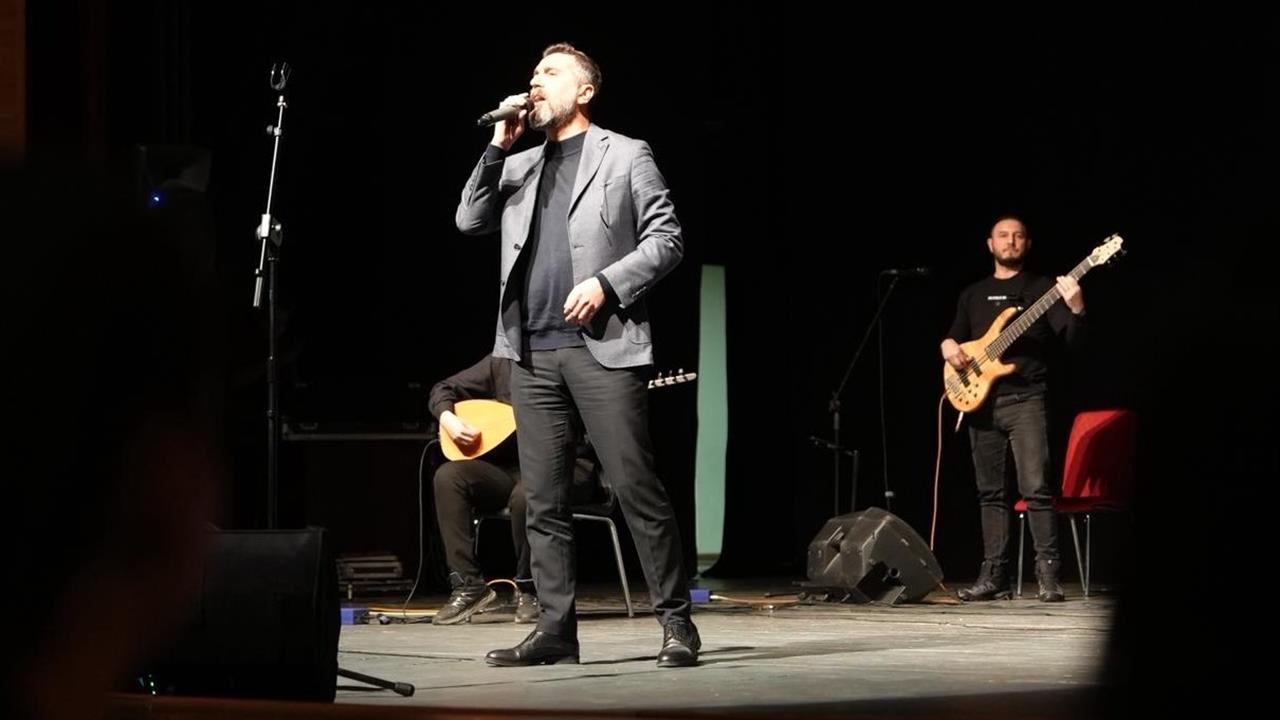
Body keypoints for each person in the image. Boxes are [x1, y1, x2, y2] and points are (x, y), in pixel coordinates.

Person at [455, 42, 698, 667]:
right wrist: (497, 147)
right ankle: (556, 631)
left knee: (636, 486)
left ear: (584, 91)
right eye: (533, 72)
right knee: (543, 501)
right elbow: (469, 220)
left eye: (551, 73)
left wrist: (608, 283)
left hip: (602, 350)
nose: (535, 81)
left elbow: (667, 238)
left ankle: (676, 621)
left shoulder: (625, 153)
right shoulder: (518, 163)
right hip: (530, 353)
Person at [941, 215, 1086, 603]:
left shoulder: (1042, 289)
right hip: (981, 403)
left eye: (1018, 236)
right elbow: (954, 337)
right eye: (1003, 236)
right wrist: (948, 346)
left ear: (1028, 243)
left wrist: (1076, 309)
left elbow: (1071, 342)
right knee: (990, 494)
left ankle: (1048, 576)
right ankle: (994, 576)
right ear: (990, 244)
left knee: (1036, 489)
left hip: (1027, 400)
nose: (1011, 241)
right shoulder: (972, 294)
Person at [429, 353, 600, 626]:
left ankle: (530, 588)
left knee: (529, 494)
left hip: (569, 466)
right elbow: (443, 388)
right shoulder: (504, 362)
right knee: (449, 477)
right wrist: (448, 418)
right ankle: (468, 586)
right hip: (513, 468)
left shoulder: (573, 360)